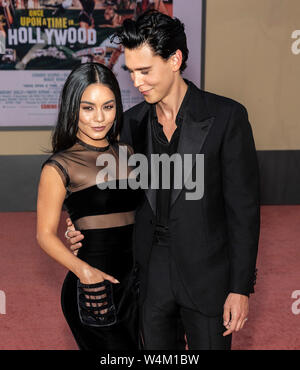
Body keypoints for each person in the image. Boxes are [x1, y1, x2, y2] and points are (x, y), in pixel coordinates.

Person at [66, 10, 260, 350]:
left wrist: (239, 288)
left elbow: (243, 214)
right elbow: (112, 198)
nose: (136, 82)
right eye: (130, 72)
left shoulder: (227, 118)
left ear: (175, 60)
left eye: (145, 71)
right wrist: (82, 226)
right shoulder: (129, 125)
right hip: (149, 277)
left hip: (208, 279)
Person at [36, 62, 141, 350]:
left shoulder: (129, 154)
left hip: (137, 286)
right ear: (73, 109)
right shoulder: (59, 166)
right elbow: (44, 234)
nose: (99, 118)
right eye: (88, 108)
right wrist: (85, 272)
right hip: (94, 286)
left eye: (108, 107)